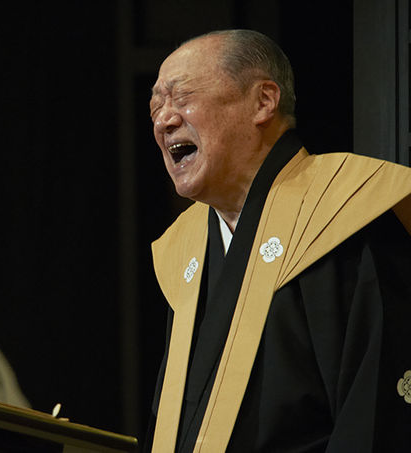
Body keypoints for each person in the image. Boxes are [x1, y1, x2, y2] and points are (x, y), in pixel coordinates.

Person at [146, 29, 411, 452]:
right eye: (156, 106)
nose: (164, 120)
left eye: (182, 97)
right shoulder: (187, 248)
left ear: (264, 102)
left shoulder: (346, 210)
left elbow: (374, 417)